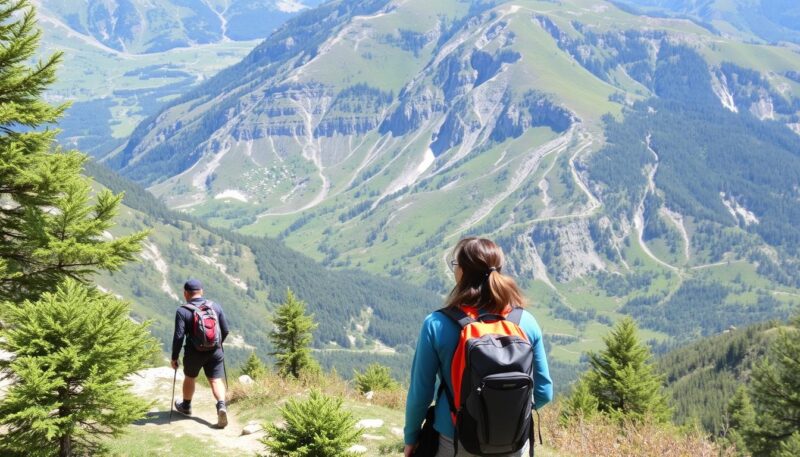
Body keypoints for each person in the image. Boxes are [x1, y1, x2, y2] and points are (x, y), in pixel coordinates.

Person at [404, 237, 553, 457]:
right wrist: (504, 415)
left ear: (462, 272)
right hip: (512, 443)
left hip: (454, 440)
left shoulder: (437, 324)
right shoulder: (526, 322)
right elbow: (544, 393)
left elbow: (420, 393)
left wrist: (411, 438)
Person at [171, 279, 230, 428]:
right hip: (215, 351)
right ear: (201, 291)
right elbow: (225, 330)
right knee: (215, 380)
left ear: (185, 293)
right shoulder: (215, 306)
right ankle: (221, 406)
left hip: (193, 352)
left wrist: (174, 357)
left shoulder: (183, 311)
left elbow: (179, 336)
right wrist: (217, 344)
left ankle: (186, 406)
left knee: (190, 378)